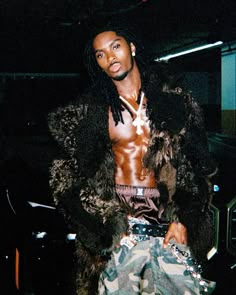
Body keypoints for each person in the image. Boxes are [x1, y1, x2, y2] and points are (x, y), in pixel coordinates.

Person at [48, 23, 217, 295]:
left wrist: (184, 218)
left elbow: (199, 167)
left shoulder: (173, 103)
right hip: (122, 226)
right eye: (100, 54)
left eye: (115, 46)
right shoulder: (91, 115)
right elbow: (65, 180)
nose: (110, 57)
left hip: (168, 223)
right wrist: (102, 229)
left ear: (132, 47)